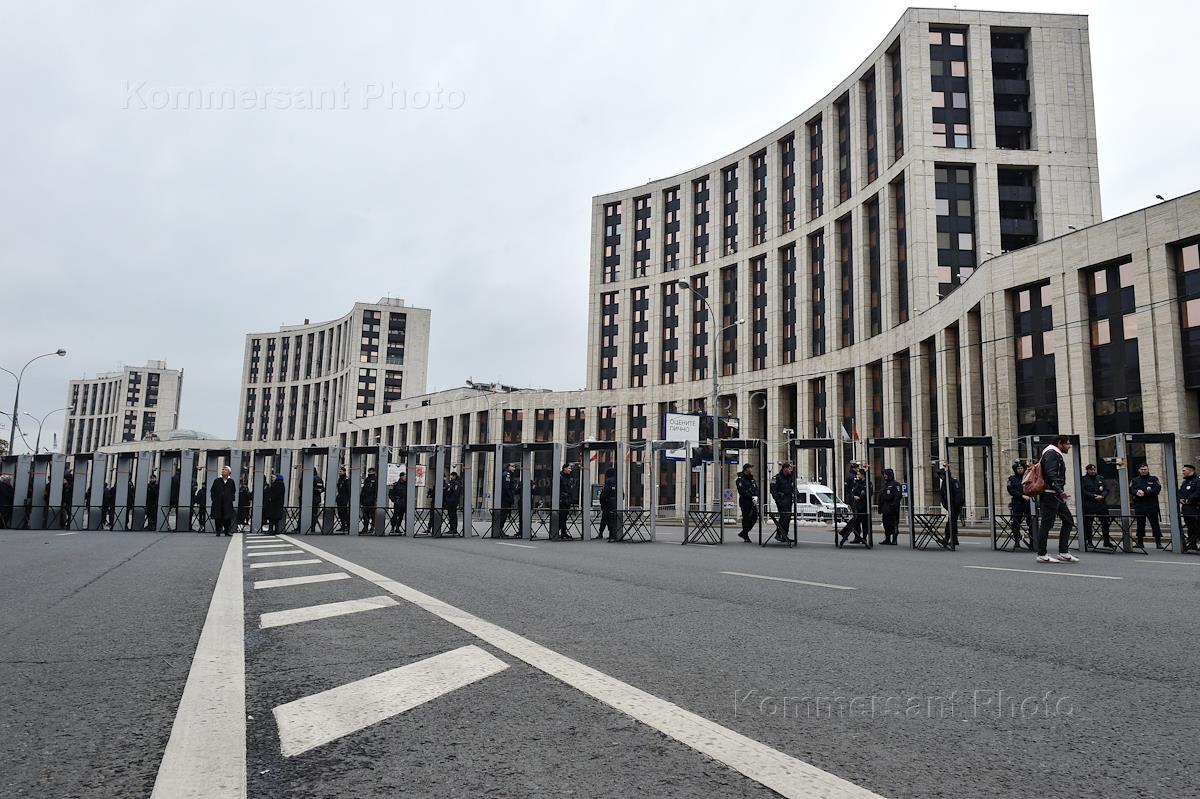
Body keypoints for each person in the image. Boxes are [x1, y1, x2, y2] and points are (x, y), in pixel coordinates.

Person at [1034, 435, 1079, 563]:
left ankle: (1063, 552)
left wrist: (1059, 491)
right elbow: (1051, 473)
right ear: (1060, 443)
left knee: (1068, 521)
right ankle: (1042, 554)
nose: (1069, 446)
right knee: (1047, 524)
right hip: (1050, 494)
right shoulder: (1051, 453)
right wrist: (1060, 490)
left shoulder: (1053, 453)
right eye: (1067, 444)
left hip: (1055, 494)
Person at [1081, 463, 1116, 549]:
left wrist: (1102, 496)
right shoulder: (1084, 479)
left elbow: (1106, 489)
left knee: (1105, 523)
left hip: (1101, 504)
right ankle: (1089, 541)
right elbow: (1083, 491)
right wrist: (1093, 496)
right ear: (1087, 470)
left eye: (1094, 469)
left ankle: (1106, 541)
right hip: (1090, 504)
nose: (1093, 471)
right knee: (1088, 524)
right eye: (1091, 470)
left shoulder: (1100, 478)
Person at [1130, 464, 1163, 549]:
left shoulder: (1154, 479)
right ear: (1139, 470)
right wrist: (1136, 492)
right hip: (1139, 505)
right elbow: (1131, 489)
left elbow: (1157, 489)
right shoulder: (1135, 480)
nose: (1143, 471)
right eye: (1141, 469)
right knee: (1140, 525)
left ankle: (1158, 543)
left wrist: (1145, 493)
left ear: (1148, 470)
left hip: (1151, 505)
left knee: (1155, 524)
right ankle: (1140, 542)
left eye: (1145, 469)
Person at [838, 468, 869, 547]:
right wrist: (854, 496)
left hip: (864, 507)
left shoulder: (867, 483)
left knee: (864, 523)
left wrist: (861, 496)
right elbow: (851, 493)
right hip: (856, 506)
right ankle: (857, 537)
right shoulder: (856, 483)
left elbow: (868, 493)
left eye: (858, 474)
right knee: (856, 523)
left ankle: (864, 538)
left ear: (862, 475)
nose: (857, 476)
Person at [1007, 461, 1034, 551]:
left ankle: (1033, 542)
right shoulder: (1011, 479)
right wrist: (1021, 496)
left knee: (1031, 523)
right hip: (1017, 503)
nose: (1020, 470)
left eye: (1021, 468)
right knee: (1016, 523)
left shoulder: (1028, 477)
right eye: (1018, 468)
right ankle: (1017, 541)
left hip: (1028, 503)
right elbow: (1010, 490)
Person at [936, 467, 965, 546]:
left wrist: (956, 506)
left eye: (942, 475)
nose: (941, 477)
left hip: (955, 506)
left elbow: (958, 495)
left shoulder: (953, 482)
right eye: (940, 475)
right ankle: (954, 539)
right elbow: (942, 495)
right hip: (950, 507)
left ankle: (948, 539)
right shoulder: (944, 483)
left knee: (950, 523)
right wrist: (946, 506)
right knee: (952, 523)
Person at [769, 462, 796, 544]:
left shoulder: (789, 478)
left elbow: (793, 487)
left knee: (788, 517)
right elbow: (773, 490)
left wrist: (798, 496)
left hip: (788, 500)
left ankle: (784, 535)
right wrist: (778, 500)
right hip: (781, 500)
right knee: (784, 517)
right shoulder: (776, 478)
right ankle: (779, 534)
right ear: (785, 469)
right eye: (789, 469)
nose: (791, 470)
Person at [210, 465, 237, 536]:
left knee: (227, 518)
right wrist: (214, 499)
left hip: (227, 503)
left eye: (225, 470)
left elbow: (233, 491)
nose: (223, 471)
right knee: (218, 517)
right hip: (218, 502)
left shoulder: (231, 481)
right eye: (223, 469)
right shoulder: (217, 480)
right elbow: (212, 490)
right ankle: (218, 531)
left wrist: (231, 499)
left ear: (229, 472)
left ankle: (227, 531)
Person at [877, 467, 902, 545]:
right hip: (885, 508)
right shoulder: (884, 484)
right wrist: (880, 508)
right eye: (884, 474)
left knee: (893, 524)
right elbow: (881, 497)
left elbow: (898, 497)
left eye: (886, 474)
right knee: (886, 524)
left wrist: (893, 506)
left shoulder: (896, 484)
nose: (884, 476)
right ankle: (887, 539)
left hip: (892, 509)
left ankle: (894, 539)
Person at [735, 463, 758, 542]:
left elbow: (756, 488)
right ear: (746, 469)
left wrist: (756, 496)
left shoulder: (752, 479)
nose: (751, 469)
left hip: (753, 501)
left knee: (754, 517)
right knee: (746, 517)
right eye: (750, 468)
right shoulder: (740, 479)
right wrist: (751, 497)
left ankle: (744, 533)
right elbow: (742, 491)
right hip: (745, 501)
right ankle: (745, 535)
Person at [1179, 464, 1200, 551]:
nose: (1183, 472)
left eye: (1184, 470)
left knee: (1197, 527)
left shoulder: (1197, 480)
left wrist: (1189, 499)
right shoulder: (1185, 482)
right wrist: (1180, 498)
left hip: (1195, 508)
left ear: (1190, 471)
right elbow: (1180, 492)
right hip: (1186, 509)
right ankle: (1192, 544)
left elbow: (1198, 492)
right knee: (1190, 527)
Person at [596, 466, 619, 541]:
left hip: (608, 503)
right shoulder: (617, 480)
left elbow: (606, 491)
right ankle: (612, 533)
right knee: (612, 518)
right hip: (615, 503)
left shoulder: (608, 481)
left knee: (605, 518)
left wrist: (603, 500)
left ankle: (601, 533)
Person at [557, 463, 578, 540]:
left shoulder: (569, 477)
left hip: (567, 499)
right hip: (562, 499)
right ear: (564, 469)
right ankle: (561, 532)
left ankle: (563, 532)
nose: (570, 470)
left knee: (564, 517)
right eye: (569, 468)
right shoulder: (560, 476)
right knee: (562, 517)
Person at [443, 470, 463, 535]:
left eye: (451, 476)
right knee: (450, 516)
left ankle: (454, 529)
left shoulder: (457, 483)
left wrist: (450, 500)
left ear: (454, 476)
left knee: (453, 516)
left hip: (453, 502)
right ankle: (451, 529)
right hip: (450, 502)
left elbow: (456, 493)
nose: (450, 477)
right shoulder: (452, 483)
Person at [361, 467, 379, 534]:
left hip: (372, 500)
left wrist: (375, 499)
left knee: (373, 515)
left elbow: (376, 490)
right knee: (365, 515)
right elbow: (363, 490)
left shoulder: (376, 479)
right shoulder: (367, 479)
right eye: (369, 472)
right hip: (365, 500)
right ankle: (365, 528)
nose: (370, 473)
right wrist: (361, 499)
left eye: (371, 472)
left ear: (374, 472)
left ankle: (372, 527)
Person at [336, 465, 350, 533]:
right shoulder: (340, 479)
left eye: (340, 471)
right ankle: (343, 525)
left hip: (344, 498)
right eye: (339, 471)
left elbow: (348, 490)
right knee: (340, 513)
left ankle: (347, 525)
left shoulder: (346, 480)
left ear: (344, 472)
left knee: (344, 513)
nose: (339, 472)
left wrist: (347, 499)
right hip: (340, 498)